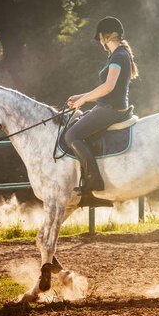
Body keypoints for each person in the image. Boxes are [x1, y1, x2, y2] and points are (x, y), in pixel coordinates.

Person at [65, 16, 139, 196]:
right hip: (107, 106)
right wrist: (80, 96)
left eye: (99, 37)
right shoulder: (119, 54)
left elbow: (108, 87)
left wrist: (84, 100)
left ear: (105, 36)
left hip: (111, 109)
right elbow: (105, 88)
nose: (99, 42)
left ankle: (94, 178)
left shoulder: (118, 56)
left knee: (72, 135)